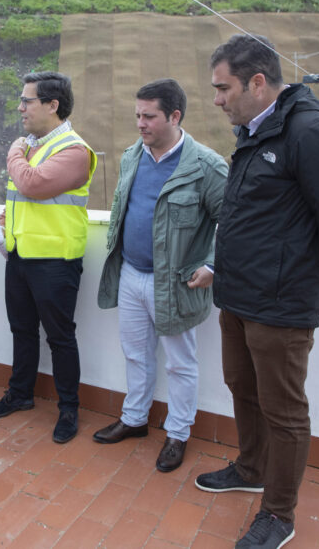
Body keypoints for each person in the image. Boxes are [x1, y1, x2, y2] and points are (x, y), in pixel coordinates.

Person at [195, 34, 319, 548]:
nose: (217, 98)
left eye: (223, 88)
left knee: (284, 410)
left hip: (280, 305)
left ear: (258, 82)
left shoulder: (309, 132)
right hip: (239, 296)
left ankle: (279, 514)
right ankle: (250, 467)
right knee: (241, 389)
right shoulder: (256, 130)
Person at [95, 79, 227, 472]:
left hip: (177, 284)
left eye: (149, 116)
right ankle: (135, 419)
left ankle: (178, 434)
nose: (140, 123)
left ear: (174, 116)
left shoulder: (206, 166)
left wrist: (214, 267)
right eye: (137, 115)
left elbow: (236, 223)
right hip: (132, 275)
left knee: (180, 364)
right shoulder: (132, 155)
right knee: (135, 354)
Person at [0, 71, 98, 444]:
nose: (20, 108)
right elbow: (17, 196)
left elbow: (32, 185)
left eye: (27, 101)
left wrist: (14, 151)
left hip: (54, 261)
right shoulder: (33, 145)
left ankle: (69, 408)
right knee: (21, 330)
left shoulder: (74, 150)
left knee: (60, 338)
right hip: (19, 256)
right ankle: (20, 395)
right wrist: (4, 225)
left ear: (53, 104)